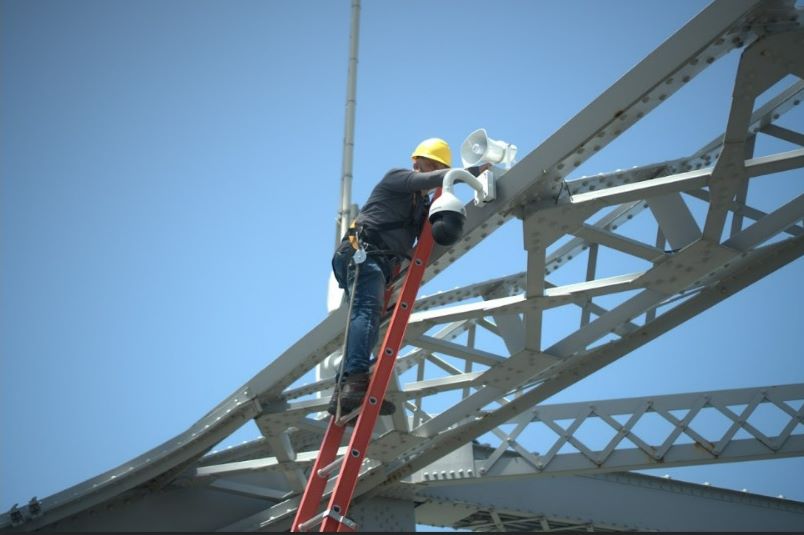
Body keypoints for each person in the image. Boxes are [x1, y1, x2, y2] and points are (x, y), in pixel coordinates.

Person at [327, 138, 487, 417]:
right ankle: (354, 384)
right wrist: (472, 173)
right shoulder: (397, 177)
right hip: (360, 248)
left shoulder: (421, 203)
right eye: (431, 167)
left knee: (368, 318)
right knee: (366, 311)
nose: (431, 174)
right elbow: (441, 179)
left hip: (377, 256)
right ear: (420, 163)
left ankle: (343, 391)